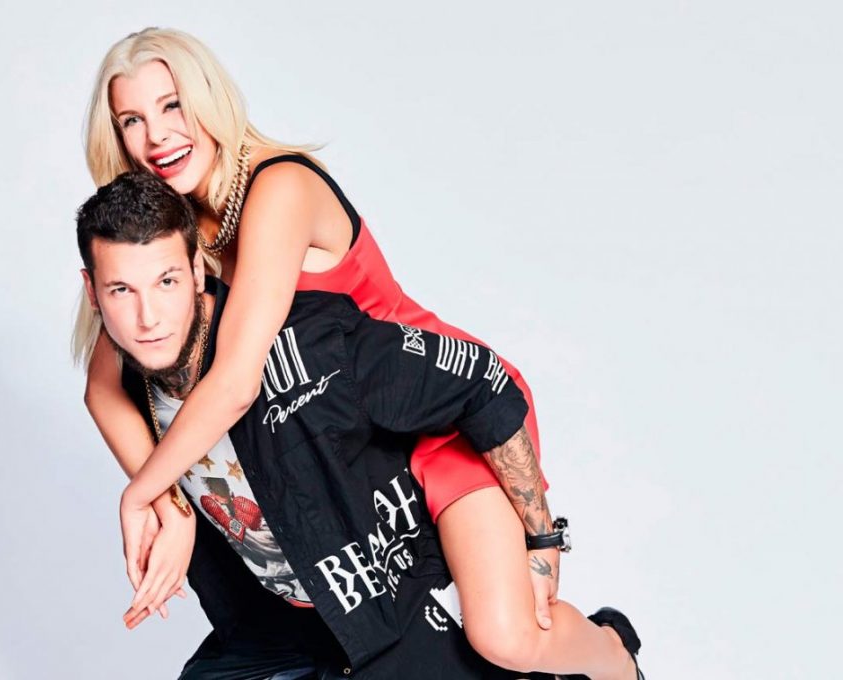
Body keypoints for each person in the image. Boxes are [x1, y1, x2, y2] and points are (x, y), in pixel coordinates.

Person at [74, 28, 642, 678]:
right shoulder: (165, 239)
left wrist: (140, 493)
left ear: (208, 97)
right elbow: (103, 387)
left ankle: (614, 656)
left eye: (172, 104)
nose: (157, 135)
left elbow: (235, 380)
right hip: (356, 452)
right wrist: (172, 506)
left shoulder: (278, 188)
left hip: (435, 412)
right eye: (132, 120)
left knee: (505, 636)